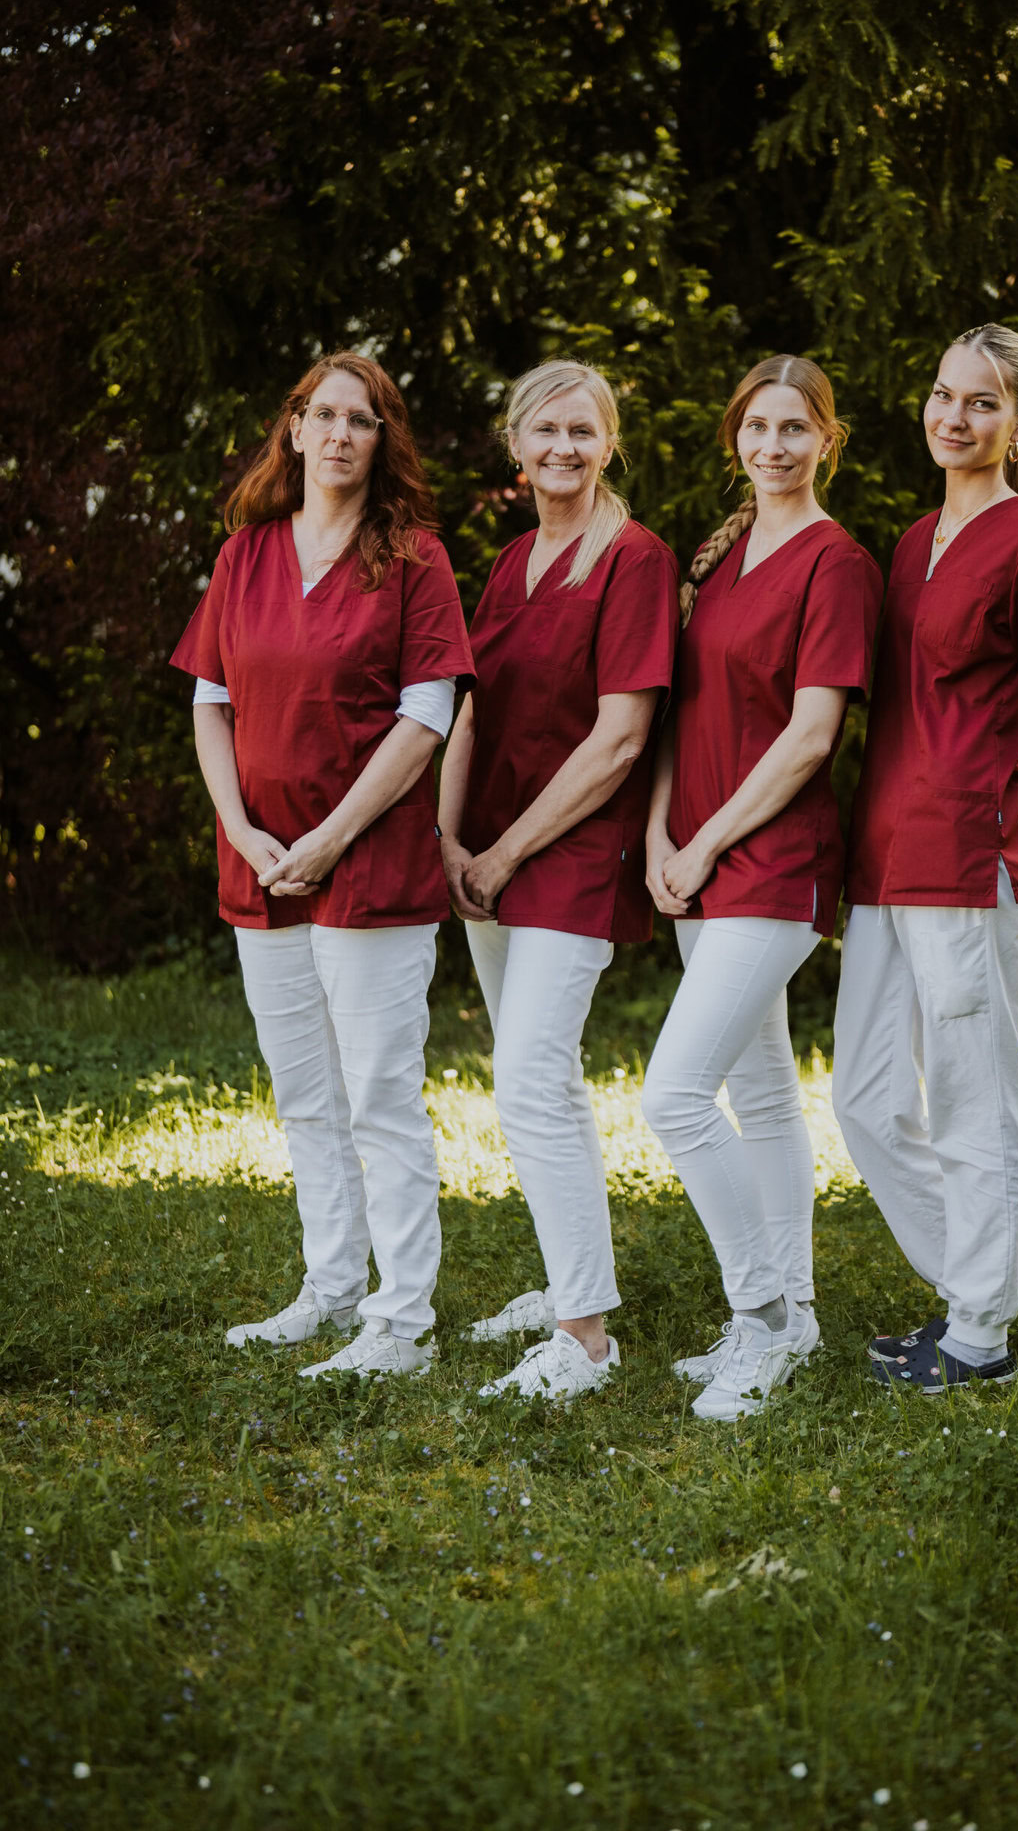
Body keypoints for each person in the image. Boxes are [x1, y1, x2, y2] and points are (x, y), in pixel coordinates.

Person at [170, 352, 473, 1379]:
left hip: (368, 867)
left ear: (383, 442)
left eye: (364, 418)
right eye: (324, 414)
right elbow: (209, 702)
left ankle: (401, 1322)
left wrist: (334, 834)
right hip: (258, 861)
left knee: (379, 1097)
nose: (342, 432)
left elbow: (426, 716)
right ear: (293, 430)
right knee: (304, 1094)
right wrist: (241, 827)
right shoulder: (244, 555)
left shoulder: (415, 558)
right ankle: (331, 1286)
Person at [834, 322, 1018, 1393]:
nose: (953, 417)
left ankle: (978, 1333)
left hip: (971, 856)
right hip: (884, 854)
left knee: (972, 1100)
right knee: (864, 1095)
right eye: (942, 395)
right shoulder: (907, 541)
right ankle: (972, 1282)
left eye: (980, 403)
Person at [642, 356, 883, 1422]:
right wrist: (658, 834)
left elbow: (810, 737)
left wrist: (704, 848)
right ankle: (800, 1309)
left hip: (771, 864)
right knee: (761, 1095)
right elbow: (673, 713)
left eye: (795, 428)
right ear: (734, 435)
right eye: (757, 427)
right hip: (693, 856)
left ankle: (762, 1320)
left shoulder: (835, 564)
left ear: (826, 441)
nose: (773, 446)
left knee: (671, 1096)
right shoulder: (722, 550)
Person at [437, 359, 678, 1402]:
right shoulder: (506, 563)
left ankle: (584, 1338)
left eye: (583, 431)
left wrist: (503, 851)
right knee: (543, 1081)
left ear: (609, 442)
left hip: (570, 851)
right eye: (545, 431)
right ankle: (568, 1278)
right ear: (515, 444)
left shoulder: (633, 560)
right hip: (485, 851)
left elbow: (620, 741)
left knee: (529, 1076)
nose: (564, 449)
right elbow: (472, 714)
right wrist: (448, 841)